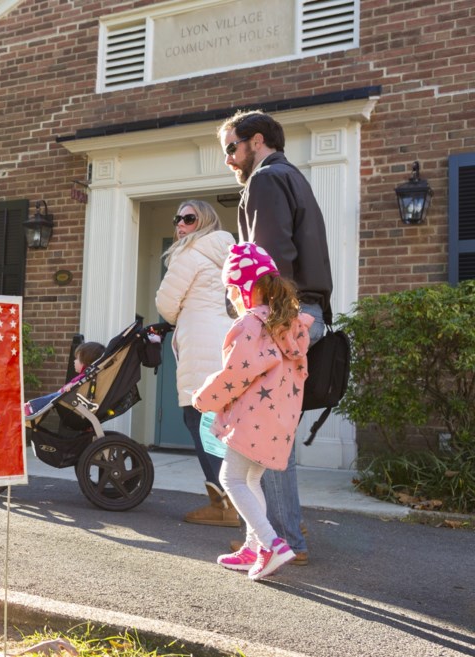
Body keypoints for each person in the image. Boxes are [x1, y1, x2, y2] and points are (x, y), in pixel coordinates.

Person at [217, 109, 334, 566]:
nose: (229, 159)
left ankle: (282, 539)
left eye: (232, 147)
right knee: (272, 426)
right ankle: (272, 535)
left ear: (256, 140)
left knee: (262, 428)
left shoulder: (266, 181)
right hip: (306, 312)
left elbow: (270, 257)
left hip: (284, 314)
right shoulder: (294, 179)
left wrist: (258, 315)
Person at [193, 243, 312, 580]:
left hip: (251, 420)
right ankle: (252, 547)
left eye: (232, 288)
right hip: (279, 421)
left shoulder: (251, 325)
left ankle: (272, 544)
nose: (230, 296)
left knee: (229, 478)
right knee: (251, 479)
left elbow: (236, 375)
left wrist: (204, 398)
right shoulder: (289, 325)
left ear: (247, 288)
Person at [154, 200, 238, 527]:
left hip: (200, 346)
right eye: (177, 218)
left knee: (198, 420)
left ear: (204, 221)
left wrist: (182, 317)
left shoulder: (188, 253)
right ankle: (236, 500)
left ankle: (224, 503)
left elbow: (165, 303)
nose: (180, 224)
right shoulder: (229, 254)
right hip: (227, 343)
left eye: (189, 218)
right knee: (221, 424)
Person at [24, 341, 105, 418]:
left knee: (53, 397)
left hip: (74, 407)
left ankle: (31, 408)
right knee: (54, 397)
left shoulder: (85, 378)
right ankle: (31, 407)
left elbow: (77, 387)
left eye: (77, 358)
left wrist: (71, 386)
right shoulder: (88, 377)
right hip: (76, 407)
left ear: (85, 362)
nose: (74, 361)